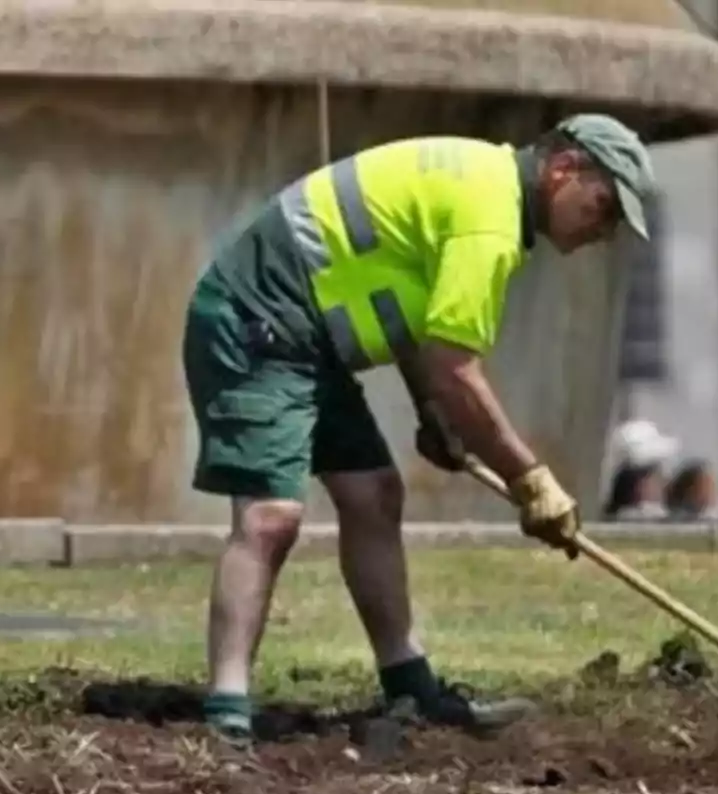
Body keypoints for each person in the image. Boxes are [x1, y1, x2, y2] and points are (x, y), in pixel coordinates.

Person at [181, 114, 656, 744]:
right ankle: (227, 712)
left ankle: (411, 685)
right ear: (564, 169)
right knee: (271, 517)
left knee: (375, 496)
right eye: (604, 207)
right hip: (257, 319)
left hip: (306, 334)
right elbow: (455, 367)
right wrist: (530, 478)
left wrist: (432, 415)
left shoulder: (486, 191)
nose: (604, 231)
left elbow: (413, 321)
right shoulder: (489, 217)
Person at [602, 419, 678, 520]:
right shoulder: (642, 523)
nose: (664, 480)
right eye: (657, 473)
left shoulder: (613, 518)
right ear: (640, 484)